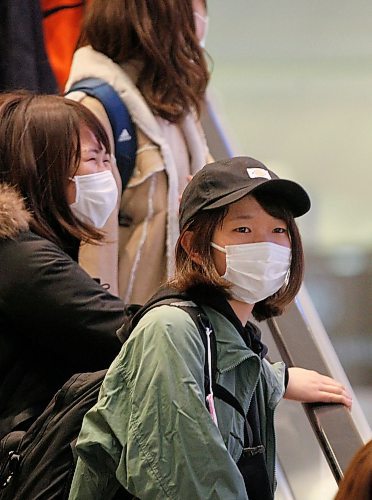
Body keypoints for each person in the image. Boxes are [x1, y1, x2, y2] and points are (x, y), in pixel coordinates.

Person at [68, 157, 352, 500]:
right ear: (195, 246)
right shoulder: (170, 330)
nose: (267, 246)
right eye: (243, 230)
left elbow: (227, 371)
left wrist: (279, 380)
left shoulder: (228, 332)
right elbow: (188, 484)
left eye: (278, 230)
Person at [65, 0, 212, 302]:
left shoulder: (176, 108)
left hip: (175, 324)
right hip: (124, 331)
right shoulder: (93, 108)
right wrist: (108, 337)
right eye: (195, 8)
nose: (202, 20)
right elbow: (88, 239)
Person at [0, 92, 125, 440]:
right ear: (44, 167)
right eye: (93, 159)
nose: (107, 176)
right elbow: (129, 334)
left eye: (108, 160)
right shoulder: (27, 261)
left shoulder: (27, 250)